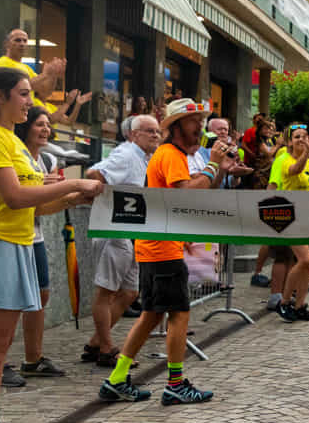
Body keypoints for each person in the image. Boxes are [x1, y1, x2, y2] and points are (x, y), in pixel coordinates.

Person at [0, 68, 101, 423]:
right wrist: (70, 187)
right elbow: (13, 197)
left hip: (12, 245)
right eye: (24, 94)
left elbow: (31, 205)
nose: (30, 102)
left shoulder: (8, 138)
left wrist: (71, 195)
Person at [98, 99, 235, 406]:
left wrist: (219, 172)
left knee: (151, 315)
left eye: (201, 121)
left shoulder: (169, 155)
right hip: (162, 248)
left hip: (157, 245)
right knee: (179, 313)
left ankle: (117, 379)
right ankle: (175, 383)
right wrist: (213, 165)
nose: (199, 126)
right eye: (192, 121)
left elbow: (193, 192)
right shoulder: (171, 155)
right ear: (175, 127)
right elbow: (184, 193)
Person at [83, 114, 160, 366]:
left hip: (128, 231)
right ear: (133, 134)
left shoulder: (142, 157)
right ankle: (106, 348)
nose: (155, 136)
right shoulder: (127, 154)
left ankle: (96, 342)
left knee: (129, 292)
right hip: (113, 231)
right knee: (106, 291)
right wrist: (102, 200)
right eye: (149, 131)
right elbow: (94, 174)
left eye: (157, 131)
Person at [10, 107, 65, 379]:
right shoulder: (14, 154)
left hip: (35, 236)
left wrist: (69, 195)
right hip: (8, 235)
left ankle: (33, 358)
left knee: (40, 295)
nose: (45, 129)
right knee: (6, 302)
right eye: (39, 124)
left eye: (48, 125)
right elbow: (17, 195)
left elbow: (42, 207)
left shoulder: (47, 160)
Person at [269, 125, 309, 323]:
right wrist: (306, 153)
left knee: (308, 264)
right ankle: (284, 302)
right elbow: (296, 170)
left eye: (304, 137)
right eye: (297, 137)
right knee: (303, 260)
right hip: (291, 215)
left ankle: (300, 305)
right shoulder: (285, 160)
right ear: (289, 142)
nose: (301, 140)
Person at [0, 29, 92, 125]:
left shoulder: (27, 68)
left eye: (25, 41)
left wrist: (54, 75)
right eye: (17, 40)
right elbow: (19, 87)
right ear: (7, 44)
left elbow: (45, 92)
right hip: (9, 117)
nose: (22, 43)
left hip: (23, 120)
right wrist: (45, 75)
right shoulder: (1, 63)